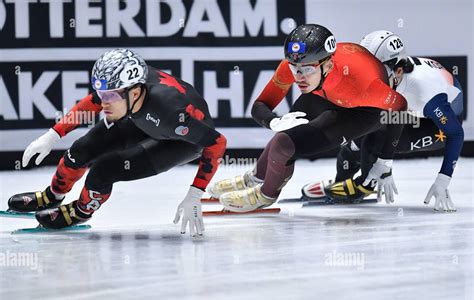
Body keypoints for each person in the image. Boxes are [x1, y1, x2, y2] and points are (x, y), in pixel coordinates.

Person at [8, 49, 227, 236]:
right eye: (103, 95)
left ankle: (81, 211)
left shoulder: (172, 114)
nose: (103, 103)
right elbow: (92, 102)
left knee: (103, 171)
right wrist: (53, 135)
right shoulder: (130, 91)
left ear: (135, 92)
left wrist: (195, 192)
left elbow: (217, 142)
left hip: (179, 142)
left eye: (110, 97)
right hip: (143, 119)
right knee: (80, 150)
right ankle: (53, 195)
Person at [207, 24, 407, 212]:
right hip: (326, 91)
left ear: (327, 65)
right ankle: (255, 178)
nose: (299, 76)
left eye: (307, 69)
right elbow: (260, 105)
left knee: (284, 144)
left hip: (364, 110)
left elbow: (400, 106)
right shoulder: (295, 67)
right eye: (295, 67)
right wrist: (273, 121)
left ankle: (266, 195)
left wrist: (385, 161)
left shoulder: (366, 85)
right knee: (286, 131)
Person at [302, 30, 464, 212]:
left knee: (373, 142)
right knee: (353, 142)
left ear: (399, 70)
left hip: (433, 124)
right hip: (407, 107)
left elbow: (456, 133)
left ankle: (363, 185)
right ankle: (341, 181)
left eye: (376, 70)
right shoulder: (392, 75)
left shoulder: (425, 93)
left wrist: (443, 179)